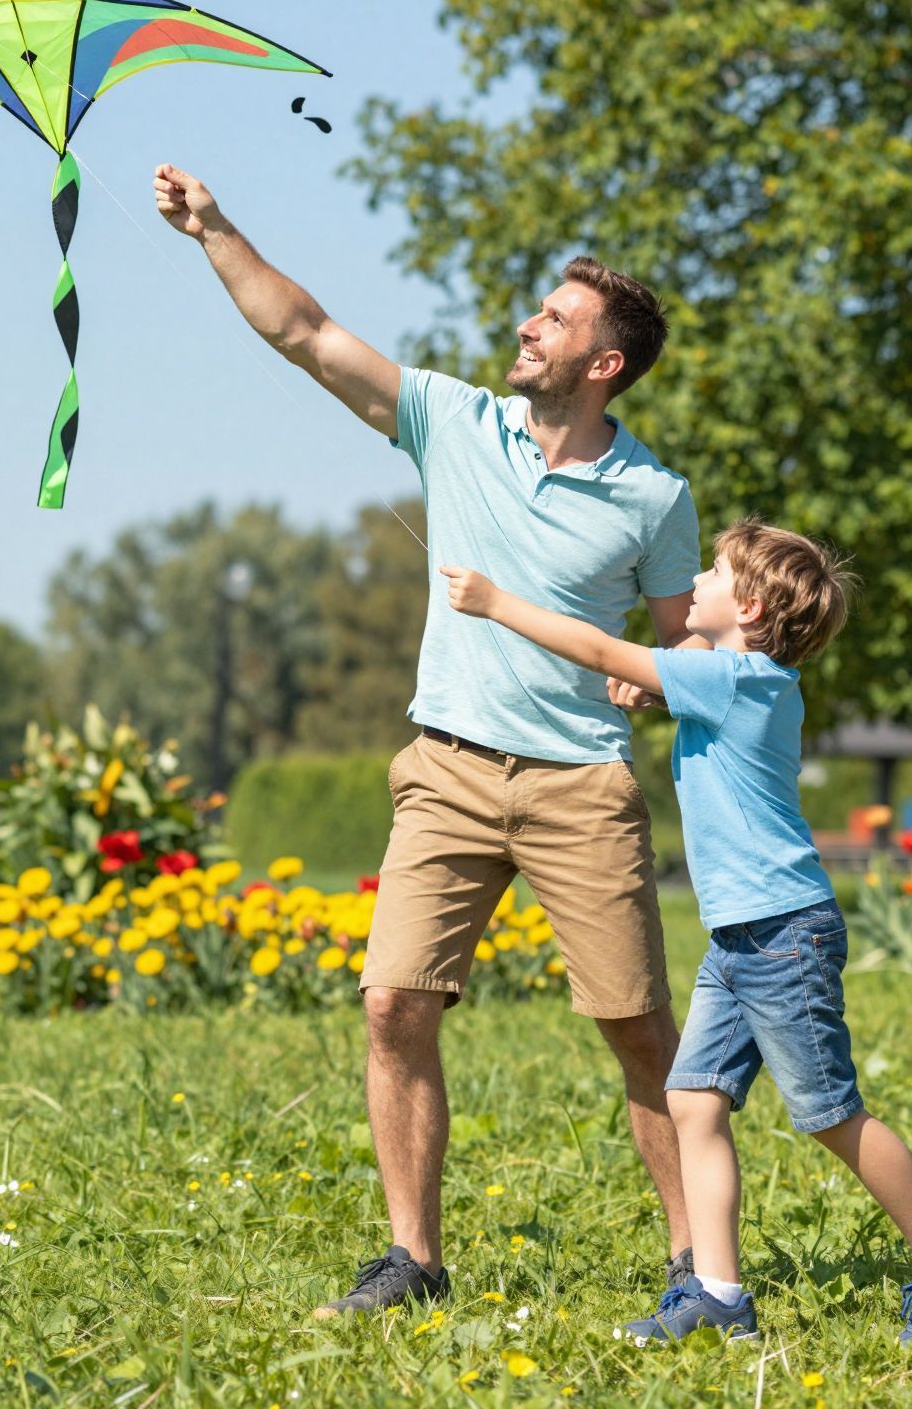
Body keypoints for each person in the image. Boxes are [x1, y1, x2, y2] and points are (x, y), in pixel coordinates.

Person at [153, 165, 704, 1319]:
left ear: (603, 363)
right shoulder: (455, 419)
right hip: (445, 769)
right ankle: (412, 1261)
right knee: (391, 1005)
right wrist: (215, 229)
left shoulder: (653, 498)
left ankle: (697, 1267)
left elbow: (677, 644)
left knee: (636, 1029)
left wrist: (649, 678)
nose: (527, 326)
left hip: (578, 787)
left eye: (554, 319)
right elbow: (305, 334)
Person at [440, 521, 912, 1345]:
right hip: (741, 940)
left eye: (713, 571)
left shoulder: (733, 681)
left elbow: (600, 651)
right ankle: (718, 1295)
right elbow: (682, 679)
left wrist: (496, 603)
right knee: (693, 1100)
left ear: (748, 608)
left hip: (782, 936)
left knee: (830, 1115)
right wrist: (660, 690)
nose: (696, 580)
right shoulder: (745, 681)